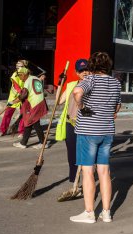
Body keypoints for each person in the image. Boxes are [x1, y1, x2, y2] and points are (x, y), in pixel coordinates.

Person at [69, 52, 121, 223]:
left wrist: (82, 107)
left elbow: (77, 92)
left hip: (88, 130)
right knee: (104, 172)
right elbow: (118, 106)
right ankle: (106, 212)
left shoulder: (90, 79)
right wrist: (107, 113)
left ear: (92, 65)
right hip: (107, 130)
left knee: (87, 171)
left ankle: (89, 212)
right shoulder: (115, 83)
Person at [55, 59, 89, 189]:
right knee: (72, 154)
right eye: (81, 70)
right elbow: (59, 101)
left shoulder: (93, 84)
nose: (84, 72)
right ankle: (74, 182)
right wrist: (60, 84)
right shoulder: (71, 85)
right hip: (71, 123)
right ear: (76, 72)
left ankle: (87, 180)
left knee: (85, 154)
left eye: (86, 69)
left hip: (86, 124)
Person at [12, 67, 48, 149]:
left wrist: (15, 101)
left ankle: (43, 143)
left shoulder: (28, 81)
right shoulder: (35, 78)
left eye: (20, 75)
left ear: (25, 74)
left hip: (35, 104)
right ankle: (23, 143)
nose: (20, 78)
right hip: (40, 102)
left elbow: (24, 94)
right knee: (30, 122)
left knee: (35, 123)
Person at [0, 60, 27, 137]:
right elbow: (16, 86)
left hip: (23, 96)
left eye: (20, 66)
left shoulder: (27, 75)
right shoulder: (14, 75)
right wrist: (22, 93)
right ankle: (3, 130)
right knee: (7, 114)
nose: (18, 68)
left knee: (23, 115)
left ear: (24, 67)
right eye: (17, 66)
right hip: (14, 97)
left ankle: (21, 131)